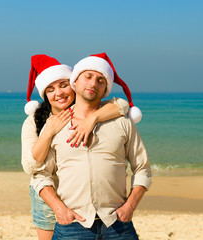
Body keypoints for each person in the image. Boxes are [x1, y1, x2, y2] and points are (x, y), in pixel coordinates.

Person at [33, 53, 151, 240]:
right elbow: (40, 174)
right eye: (87, 76)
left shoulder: (123, 122)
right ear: (75, 82)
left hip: (118, 225)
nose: (93, 83)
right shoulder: (55, 125)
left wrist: (130, 207)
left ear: (105, 88)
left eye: (101, 80)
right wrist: (60, 210)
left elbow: (142, 169)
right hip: (72, 225)